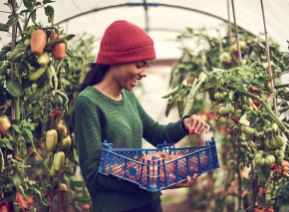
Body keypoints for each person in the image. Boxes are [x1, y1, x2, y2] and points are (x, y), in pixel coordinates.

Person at [71, 20, 211, 212]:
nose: (144, 73)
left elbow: (155, 133)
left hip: (150, 203)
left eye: (147, 66)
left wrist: (185, 125)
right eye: (140, 65)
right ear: (116, 60)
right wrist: (159, 181)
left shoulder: (127, 95)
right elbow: (95, 175)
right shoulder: (87, 103)